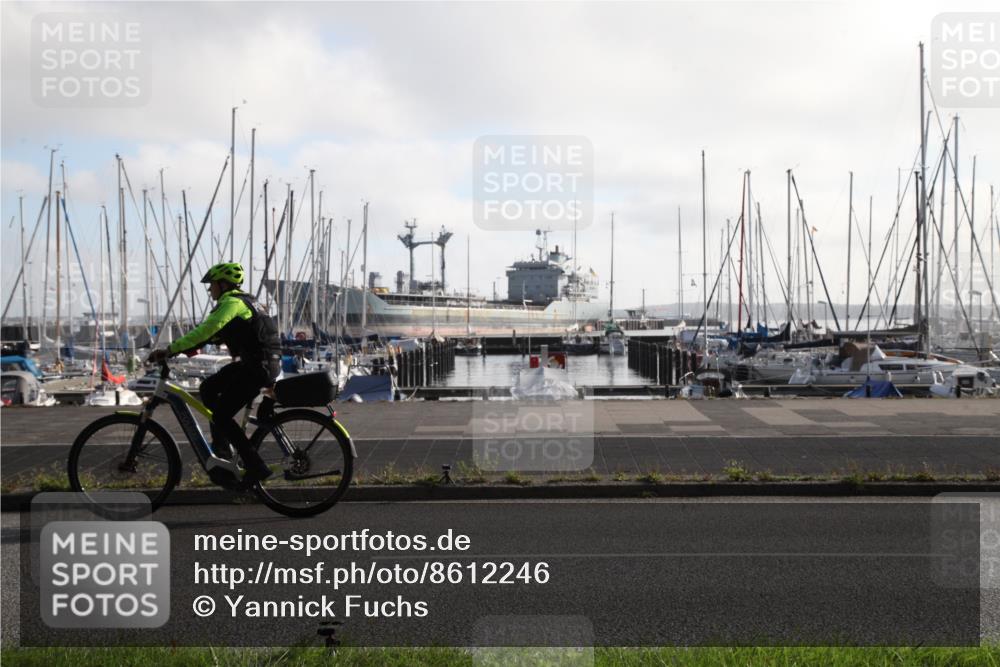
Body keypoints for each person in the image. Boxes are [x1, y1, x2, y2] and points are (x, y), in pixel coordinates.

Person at [148, 262, 281, 486]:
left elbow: (208, 328)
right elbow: (219, 334)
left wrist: (169, 349)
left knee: (221, 416)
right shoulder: (246, 301)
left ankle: (256, 466)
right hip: (260, 364)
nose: (210, 290)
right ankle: (223, 453)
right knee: (208, 388)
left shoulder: (232, 302)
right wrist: (190, 347)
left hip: (258, 368)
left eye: (211, 285)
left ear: (223, 284)